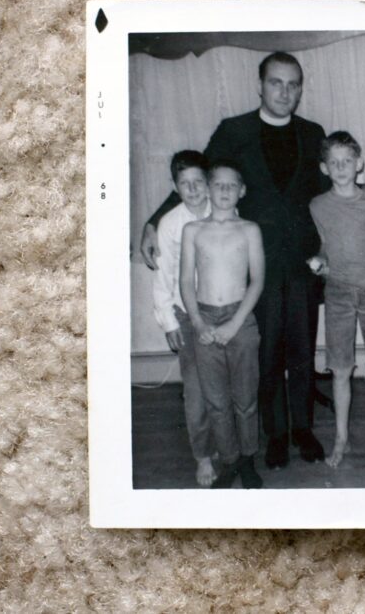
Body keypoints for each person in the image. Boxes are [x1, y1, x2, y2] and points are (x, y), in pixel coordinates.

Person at [140, 52, 329, 470]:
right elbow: (197, 180)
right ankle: (276, 434)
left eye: (293, 83)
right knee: (264, 357)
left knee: (301, 352)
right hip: (252, 266)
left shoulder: (313, 132)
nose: (285, 91)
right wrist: (154, 221)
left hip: (301, 264)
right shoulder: (234, 130)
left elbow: (326, 195)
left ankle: (303, 429)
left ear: (300, 88)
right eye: (276, 82)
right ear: (259, 85)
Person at [308, 132, 365, 470]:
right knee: (341, 370)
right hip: (337, 294)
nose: (341, 167)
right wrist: (319, 261)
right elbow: (324, 244)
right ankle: (341, 439)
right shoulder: (317, 205)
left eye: (347, 160)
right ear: (324, 167)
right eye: (334, 162)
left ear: (359, 163)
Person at [180, 162, 265, 489]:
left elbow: (257, 281)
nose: (225, 191)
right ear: (208, 189)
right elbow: (186, 281)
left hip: (240, 319)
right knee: (216, 400)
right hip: (204, 317)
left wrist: (234, 324)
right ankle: (228, 461)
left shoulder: (249, 230)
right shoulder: (193, 231)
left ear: (242, 191)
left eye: (232, 186)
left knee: (245, 399)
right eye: (219, 185)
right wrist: (198, 322)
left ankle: (247, 459)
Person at [151, 150, 215, 486]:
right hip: (186, 314)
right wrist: (169, 322)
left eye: (198, 182)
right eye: (184, 184)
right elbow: (162, 278)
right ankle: (202, 457)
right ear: (175, 187)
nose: (192, 190)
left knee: (223, 386)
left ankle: (225, 445)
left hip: (222, 310)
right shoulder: (169, 224)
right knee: (196, 391)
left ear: (208, 183)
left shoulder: (223, 211)